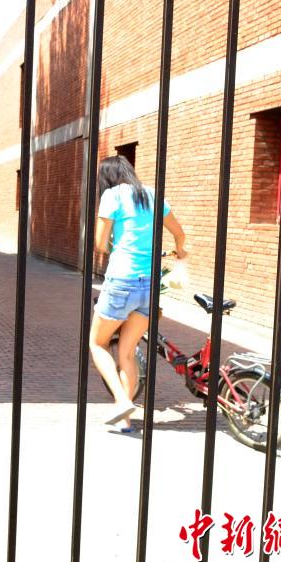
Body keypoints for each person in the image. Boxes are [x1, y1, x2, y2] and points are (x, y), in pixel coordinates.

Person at [90, 155, 187, 430]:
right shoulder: (152, 195)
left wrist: (115, 246)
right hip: (150, 285)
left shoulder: (112, 196)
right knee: (127, 353)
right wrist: (180, 251)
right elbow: (179, 234)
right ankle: (125, 420)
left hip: (122, 281)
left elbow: (99, 243)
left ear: (107, 177)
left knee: (97, 344)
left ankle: (122, 401)